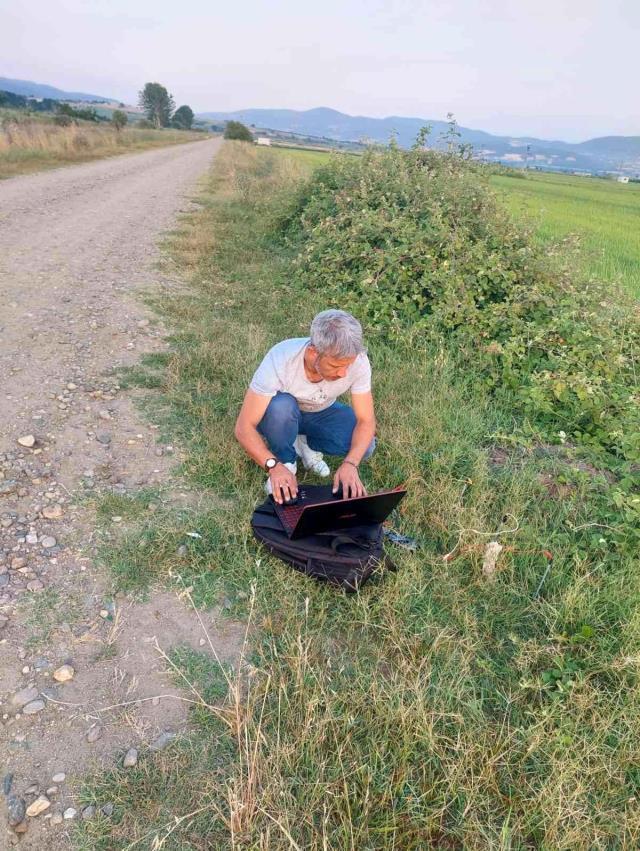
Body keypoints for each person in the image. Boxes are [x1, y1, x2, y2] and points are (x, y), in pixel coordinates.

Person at [235, 310, 376, 504]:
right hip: (278, 416)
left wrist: (351, 463)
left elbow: (366, 420)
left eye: (347, 365)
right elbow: (244, 427)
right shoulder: (281, 357)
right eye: (335, 366)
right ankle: (285, 460)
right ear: (313, 353)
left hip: (320, 412)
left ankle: (305, 443)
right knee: (281, 407)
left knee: (366, 446)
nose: (343, 373)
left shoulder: (358, 361)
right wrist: (273, 466)